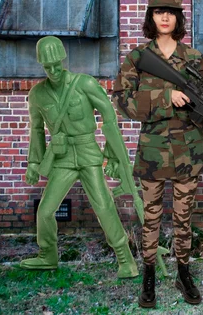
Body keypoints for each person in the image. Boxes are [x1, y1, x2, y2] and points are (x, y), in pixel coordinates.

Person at [112, 0, 203, 308]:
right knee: (151, 219)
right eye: (158, 11)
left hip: (188, 152)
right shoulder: (138, 59)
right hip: (153, 153)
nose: (164, 17)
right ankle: (149, 276)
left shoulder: (194, 59)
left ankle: (184, 273)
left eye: (171, 12)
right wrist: (165, 98)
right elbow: (124, 103)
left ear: (178, 18)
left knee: (184, 219)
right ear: (150, 17)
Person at [23, 36, 138, 279]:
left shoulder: (83, 84)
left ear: (63, 60)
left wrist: (113, 155)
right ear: (42, 65)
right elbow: (36, 130)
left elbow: (109, 115)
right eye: (48, 66)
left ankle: (125, 259)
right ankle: (47, 255)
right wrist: (34, 162)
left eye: (57, 64)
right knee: (44, 211)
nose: (53, 70)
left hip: (87, 152)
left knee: (104, 206)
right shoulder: (38, 95)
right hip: (62, 157)